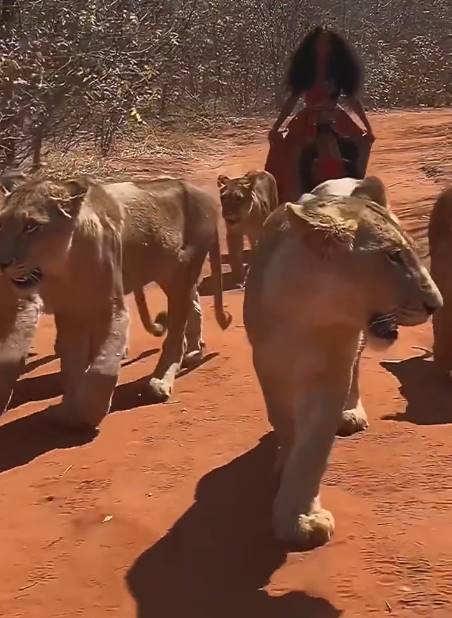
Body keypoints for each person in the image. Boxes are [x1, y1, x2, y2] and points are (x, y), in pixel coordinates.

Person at [265, 26, 375, 202]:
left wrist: (367, 128)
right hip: (308, 119)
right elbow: (292, 100)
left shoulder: (339, 69)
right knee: (288, 152)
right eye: (320, 43)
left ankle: (354, 193)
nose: (323, 46)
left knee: (361, 145)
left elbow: (352, 99)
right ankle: (288, 199)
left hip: (335, 118)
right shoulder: (305, 70)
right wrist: (276, 127)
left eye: (327, 43)